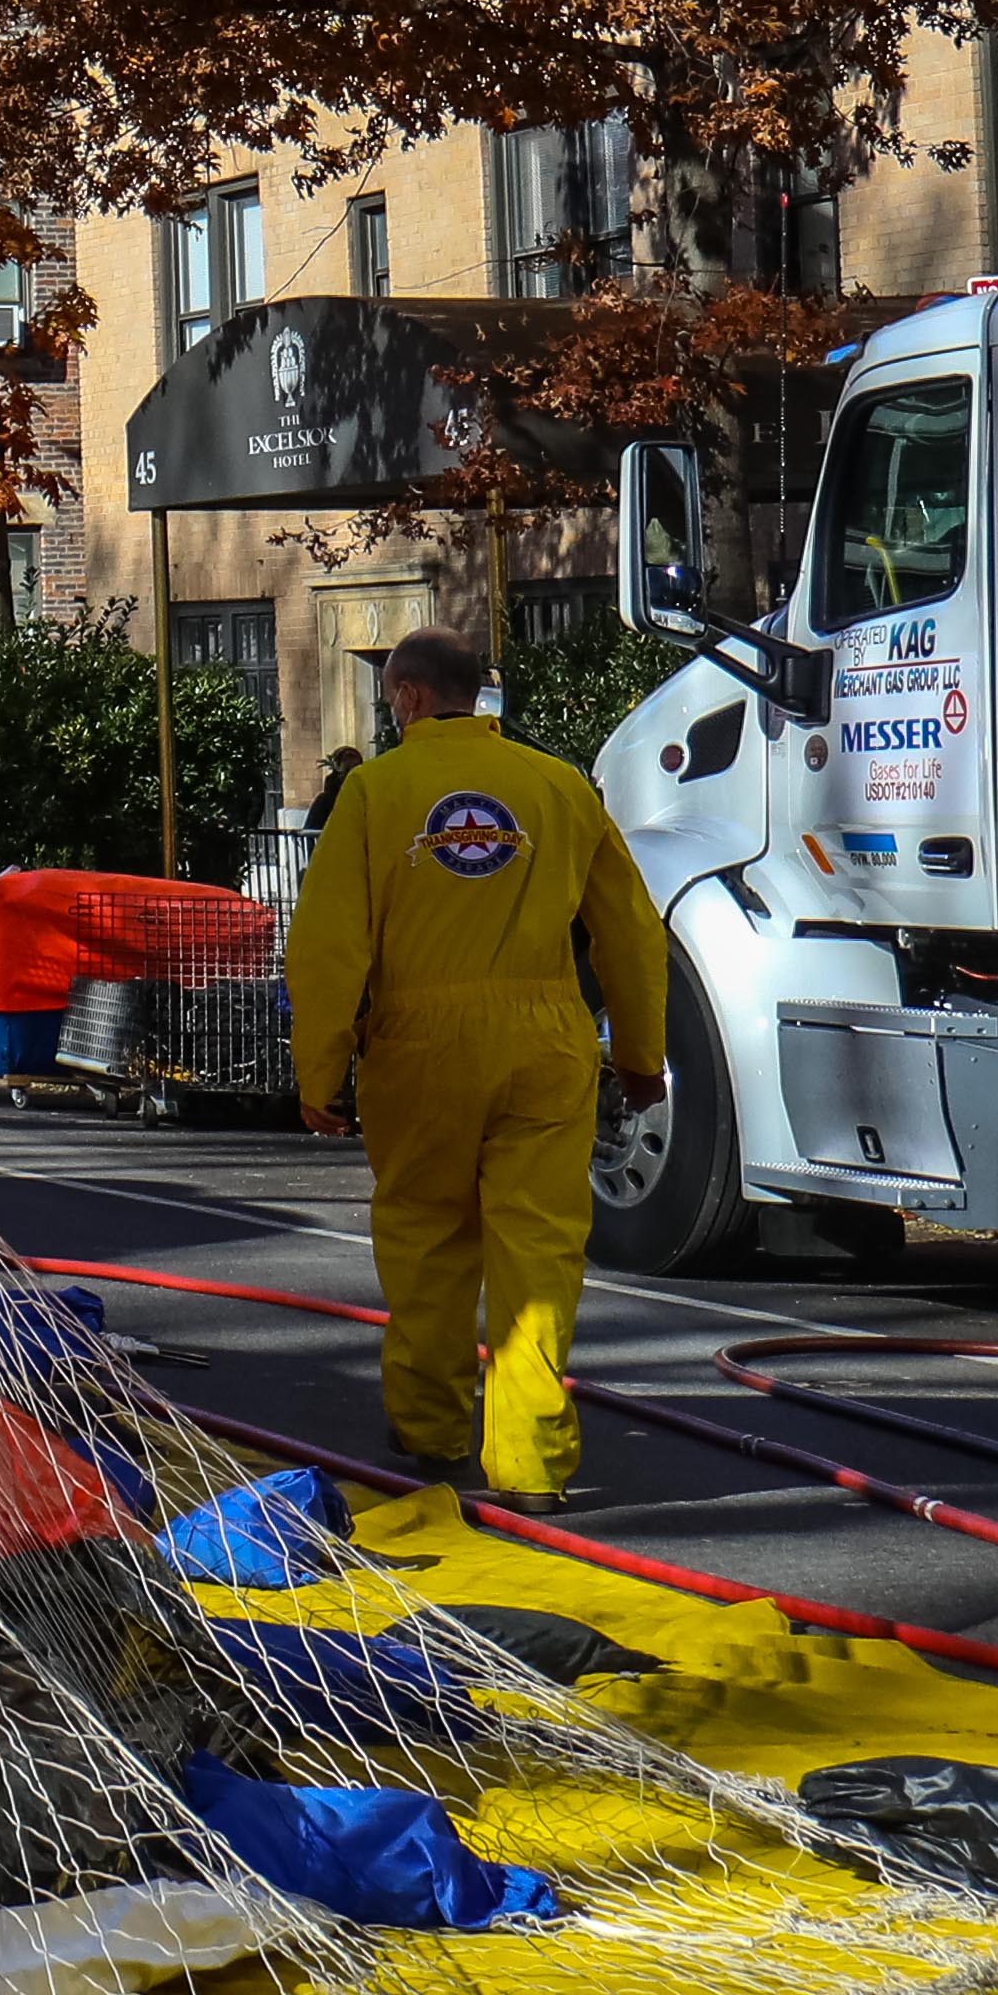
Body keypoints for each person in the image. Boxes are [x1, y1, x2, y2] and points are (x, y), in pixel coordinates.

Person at [287, 628, 669, 1505]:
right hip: (545, 1036)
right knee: (538, 1248)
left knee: (426, 1238)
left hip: (418, 1045)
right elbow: (629, 931)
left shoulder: (373, 792)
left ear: (411, 697)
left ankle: (427, 1429)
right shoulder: (558, 786)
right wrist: (642, 1057)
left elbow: (327, 947)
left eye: (390, 698)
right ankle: (532, 1459)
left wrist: (320, 1072)